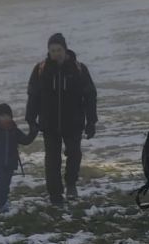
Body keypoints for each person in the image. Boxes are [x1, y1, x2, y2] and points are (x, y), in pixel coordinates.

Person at [25, 32, 97, 204]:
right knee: (52, 161)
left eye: (59, 50)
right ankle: (55, 195)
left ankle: (71, 184)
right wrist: (31, 120)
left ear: (65, 50)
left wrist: (91, 121)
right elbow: (33, 96)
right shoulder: (40, 70)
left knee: (74, 154)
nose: (56, 53)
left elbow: (90, 96)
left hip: (74, 122)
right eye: (53, 50)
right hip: (49, 124)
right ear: (48, 51)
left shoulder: (78, 68)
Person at [0, 103, 36, 214]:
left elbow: (26, 140)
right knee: (0, 183)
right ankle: (0, 206)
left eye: (8, 116)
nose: (6, 118)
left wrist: (33, 131)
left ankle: (3, 202)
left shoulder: (14, 130)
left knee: (6, 185)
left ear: (11, 117)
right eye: (3, 116)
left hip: (10, 163)